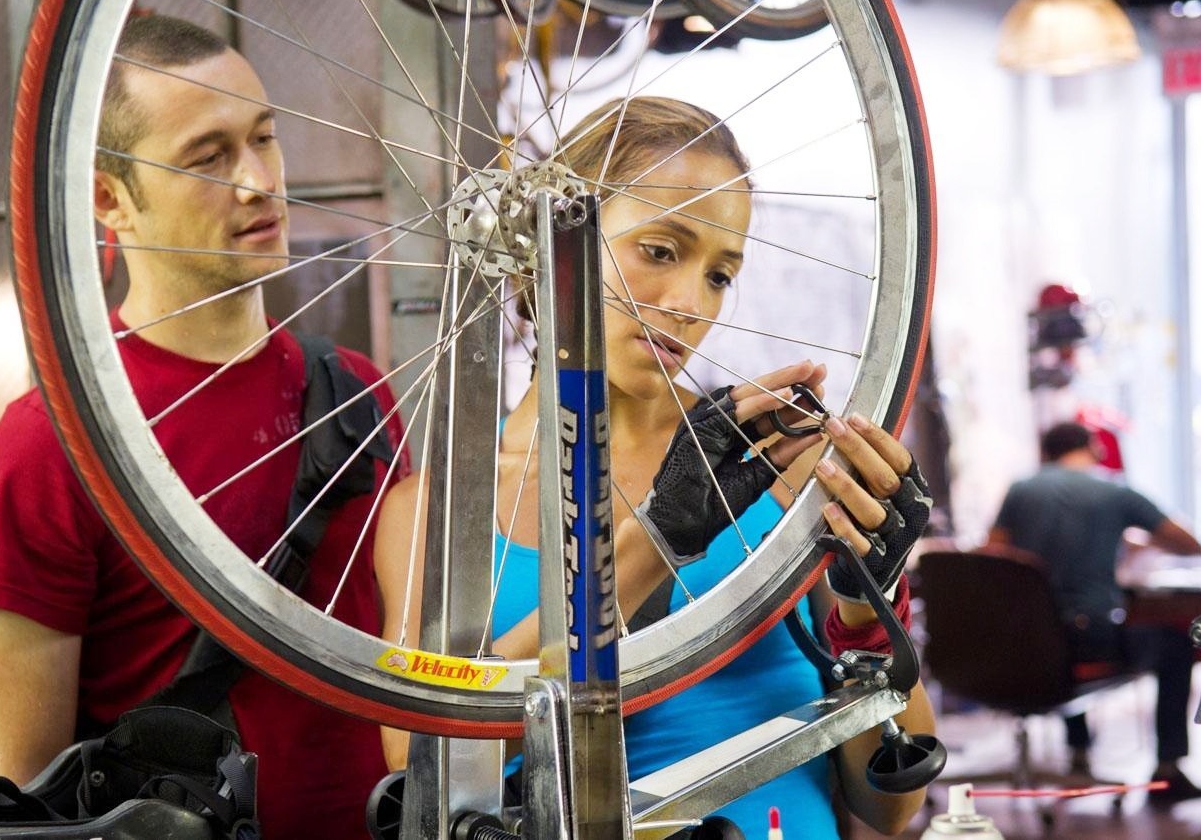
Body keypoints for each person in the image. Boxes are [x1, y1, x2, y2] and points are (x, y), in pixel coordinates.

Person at [375, 96, 935, 838]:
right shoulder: (434, 515)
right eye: (661, 251)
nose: (689, 303)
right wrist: (657, 543)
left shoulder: (778, 475)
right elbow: (428, 771)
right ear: (550, 241)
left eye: (720, 274)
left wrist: (870, 609)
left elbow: (889, 805)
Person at [0, 15, 406, 839]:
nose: (260, 182)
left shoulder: (358, 392)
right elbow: (13, 805)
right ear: (108, 199)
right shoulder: (51, 451)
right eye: (208, 156)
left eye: (265, 138)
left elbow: (419, 680)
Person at [989, 421, 1201, 804]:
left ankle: (1078, 751)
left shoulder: (1020, 490)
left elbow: (991, 553)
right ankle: (1168, 771)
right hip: (1088, 637)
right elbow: (1188, 543)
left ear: (1045, 453)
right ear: (1093, 449)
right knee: (1174, 646)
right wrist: (1136, 542)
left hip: (1025, 642)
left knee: (1055, 626)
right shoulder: (1113, 491)